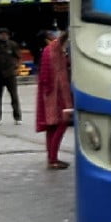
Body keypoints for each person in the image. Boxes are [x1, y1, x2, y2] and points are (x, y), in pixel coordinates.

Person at [34, 29, 72, 169]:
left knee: (52, 126)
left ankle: (52, 158)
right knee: (62, 123)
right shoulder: (53, 48)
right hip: (56, 94)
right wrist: (72, 26)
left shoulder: (47, 51)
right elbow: (63, 37)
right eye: (51, 34)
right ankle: (53, 159)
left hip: (48, 94)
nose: (54, 35)